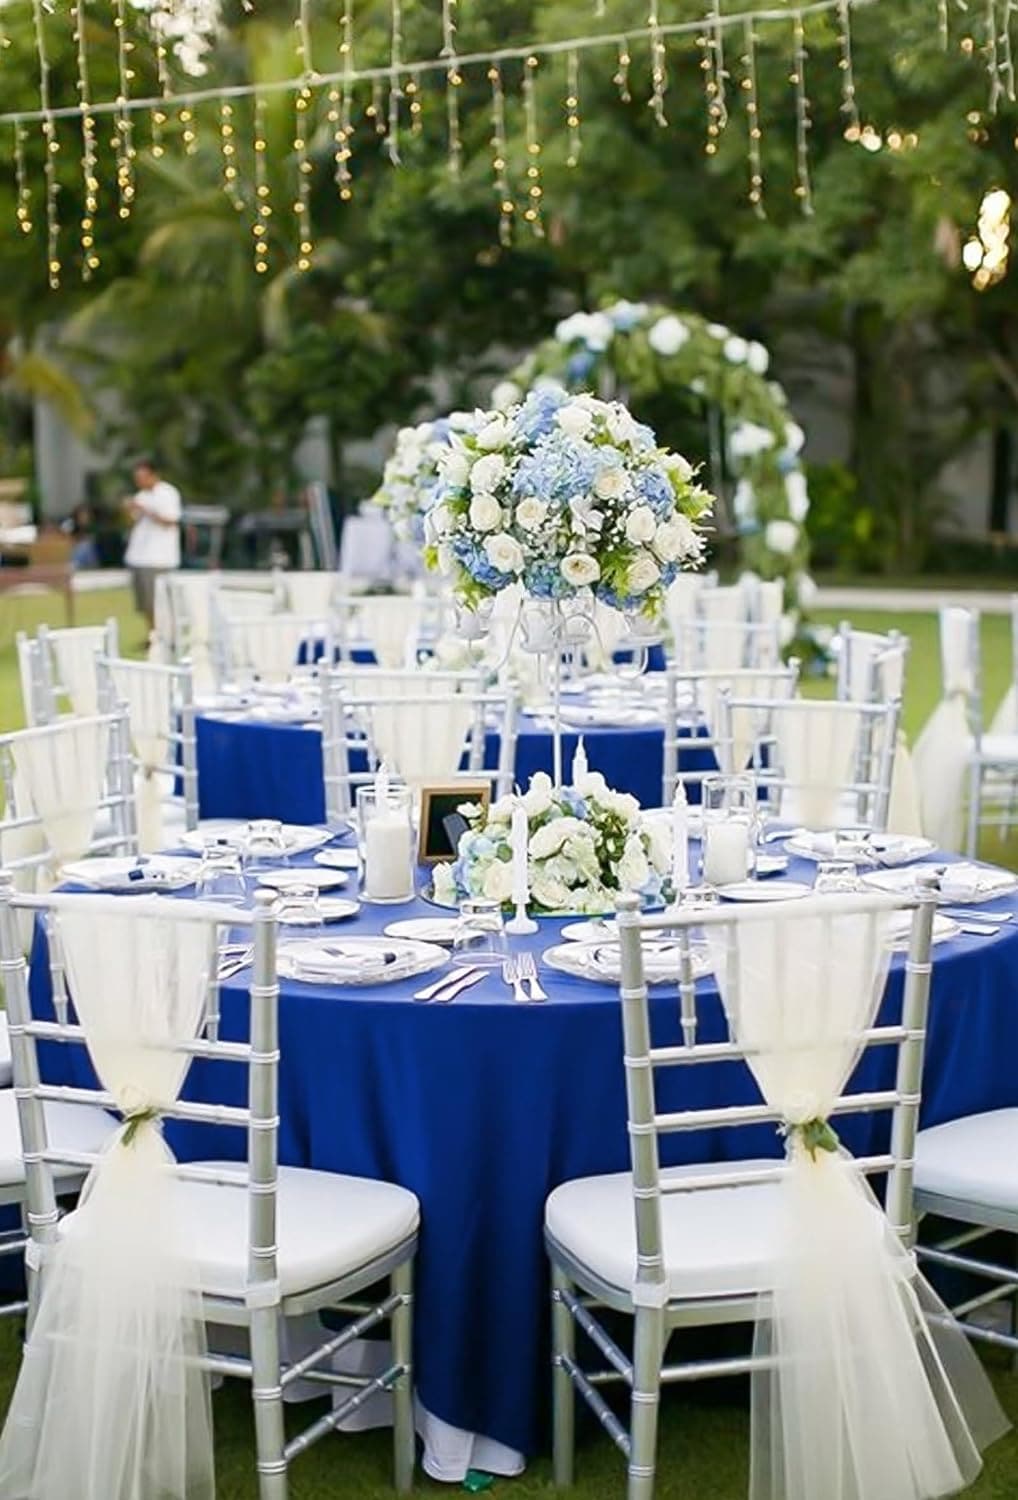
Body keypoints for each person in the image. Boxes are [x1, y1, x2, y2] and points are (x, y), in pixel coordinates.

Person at [123, 459, 182, 627]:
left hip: (159, 558)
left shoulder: (167, 493)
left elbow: (170, 521)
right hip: (138, 556)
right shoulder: (140, 496)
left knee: (160, 602)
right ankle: (152, 635)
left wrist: (145, 510)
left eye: (142, 477)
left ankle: (166, 635)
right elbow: (132, 523)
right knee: (144, 603)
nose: (139, 481)